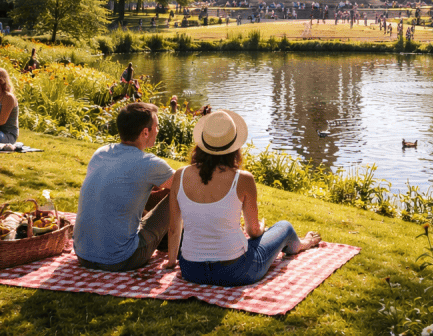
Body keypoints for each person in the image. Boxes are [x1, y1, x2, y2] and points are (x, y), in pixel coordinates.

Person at [165, 109, 321, 286]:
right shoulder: (243, 179)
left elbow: (174, 228)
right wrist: (261, 228)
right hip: (236, 272)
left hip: (192, 271)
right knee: (284, 227)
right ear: (234, 146)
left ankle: (299, 244)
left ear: (201, 144)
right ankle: (301, 244)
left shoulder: (179, 175)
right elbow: (253, 232)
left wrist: (172, 261)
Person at [75, 102, 175, 271]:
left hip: (83, 255)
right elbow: (189, 186)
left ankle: (162, 240)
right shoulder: (149, 164)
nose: (157, 130)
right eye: (156, 127)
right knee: (177, 194)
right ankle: (176, 244)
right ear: (145, 132)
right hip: (121, 259)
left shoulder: (101, 152)